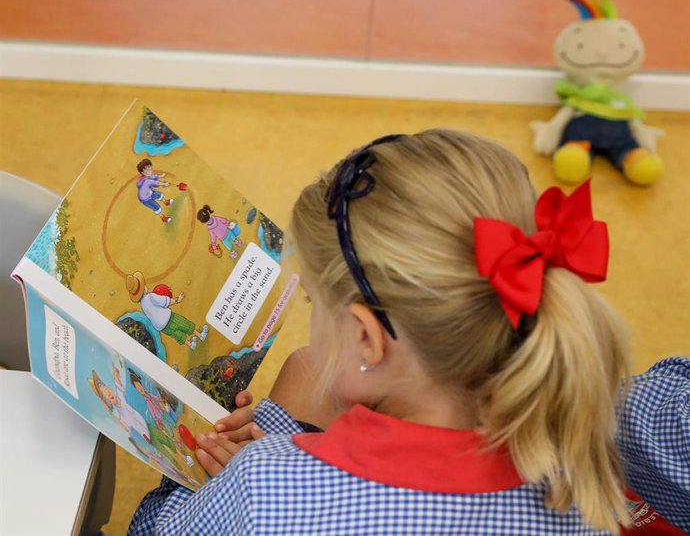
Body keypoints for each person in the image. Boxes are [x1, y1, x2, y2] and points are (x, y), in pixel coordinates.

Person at [130, 129, 643, 535]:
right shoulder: (579, 469)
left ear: (367, 340)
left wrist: (198, 472)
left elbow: (154, 530)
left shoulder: (265, 487)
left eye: (312, 300)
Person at [136, 159, 174, 224]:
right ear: (142, 172)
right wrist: (164, 184)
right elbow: (155, 182)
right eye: (147, 170)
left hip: (149, 192)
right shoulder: (146, 181)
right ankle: (163, 218)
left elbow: (153, 177)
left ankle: (166, 202)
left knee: (158, 194)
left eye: (150, 168)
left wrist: (161, 176)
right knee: (156, 207)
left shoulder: (146, 176)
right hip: (145, 198)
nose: (150, 170)